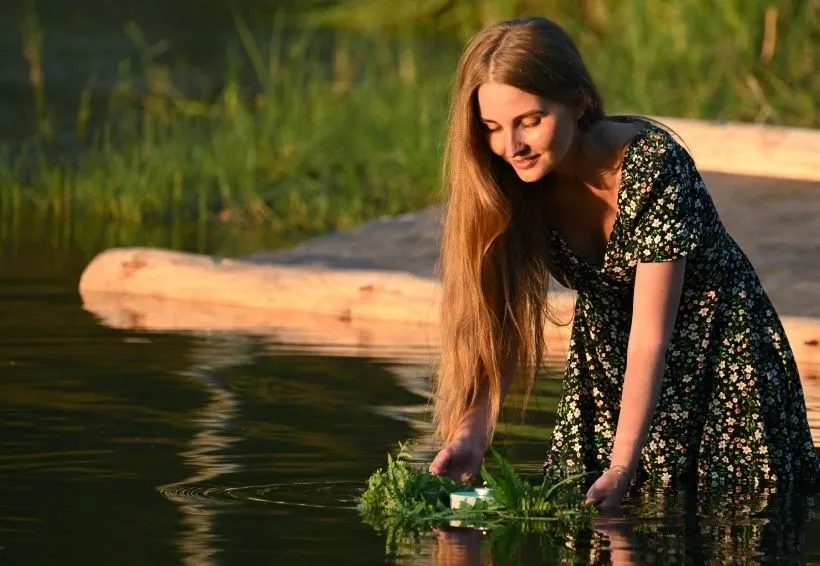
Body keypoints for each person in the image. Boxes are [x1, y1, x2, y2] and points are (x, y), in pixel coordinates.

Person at [427, 16, 819, 511]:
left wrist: (621, 465)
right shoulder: (511, 184)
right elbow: (499, 321)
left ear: (577, 101)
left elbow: (651, 333)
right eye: (492, 128)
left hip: (721, 363)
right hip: (609, 368)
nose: (512, 146)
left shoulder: (652, 165)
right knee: (589, 527)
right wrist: (471, 435)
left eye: (530, 120)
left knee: (725, 526)